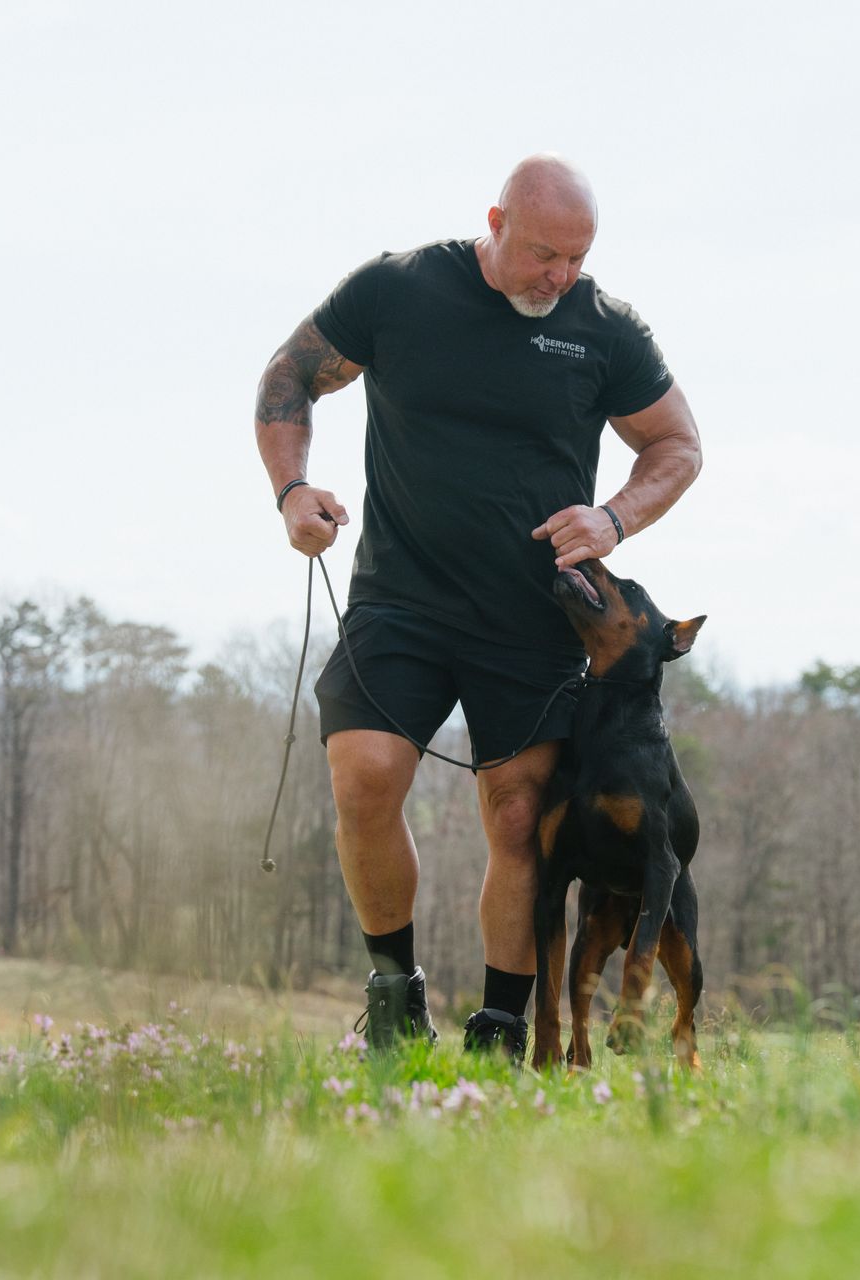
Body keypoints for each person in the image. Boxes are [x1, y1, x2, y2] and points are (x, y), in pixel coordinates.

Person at [252, 153, 702, 1059]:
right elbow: (290, 374)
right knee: (366, 777)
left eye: (576, 258)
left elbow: (677, 445)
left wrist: (614, 518)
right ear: (494, 221)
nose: (561, 277)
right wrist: (293, 490)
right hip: (400, 599)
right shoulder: (399, 290)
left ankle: (499, 1024)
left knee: (515, 811)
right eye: (543, 254)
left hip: (533, 618)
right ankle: (393, 995)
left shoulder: (605, 328)